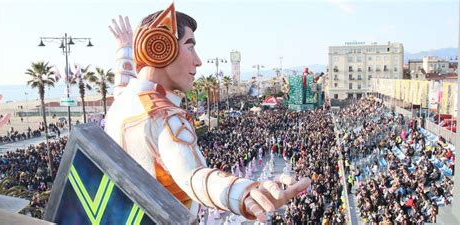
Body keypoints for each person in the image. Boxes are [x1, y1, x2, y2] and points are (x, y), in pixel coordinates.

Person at [105, 3, 310, 222]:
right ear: (161, 46)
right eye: (190, 46)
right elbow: (193, 176)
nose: (198, 60)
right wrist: (244, 193)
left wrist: (125, 49)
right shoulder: (164, 116)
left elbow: (122, 82)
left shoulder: (123, 101)